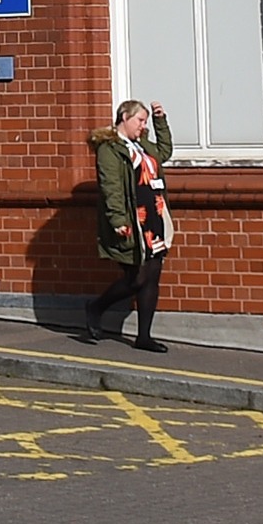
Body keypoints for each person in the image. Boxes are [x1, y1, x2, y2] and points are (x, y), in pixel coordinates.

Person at [83, 97, 174, 350]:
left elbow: (164, 153)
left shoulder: (141, 143)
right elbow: (110, 186)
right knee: (137, 278)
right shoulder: (109, 148)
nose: (143, 126)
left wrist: (160, 121)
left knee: (152, 276)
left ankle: (144, 337)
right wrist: (118, 219)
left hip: (154, 215)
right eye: (140, 120)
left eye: (145, 121)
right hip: (133, 218)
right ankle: (96, 307)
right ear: (125, 117)